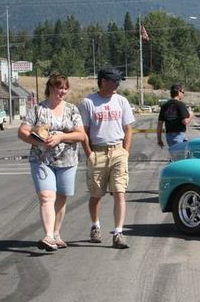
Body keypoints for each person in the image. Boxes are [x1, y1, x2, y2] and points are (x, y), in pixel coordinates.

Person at [18, 73, 85, 251]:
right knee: (47, 197)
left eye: (64, 87)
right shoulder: (38, 109)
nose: (62, 91)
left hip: (68, 160)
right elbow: (22, 131)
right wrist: (40, 141)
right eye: (58, 87)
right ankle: (48, 236)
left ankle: (56, 233)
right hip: (41, 160)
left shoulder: (72, 109)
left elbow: (81, 134)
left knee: (61, 198)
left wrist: (62, 136)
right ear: (50, 88)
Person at [79, 67, 135, 249]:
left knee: (120, 192)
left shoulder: (121, 101)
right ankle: (95, 226)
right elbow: (83, 131)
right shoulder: (88, 102)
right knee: (96, 194)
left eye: (119, 81)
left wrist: (125, 151)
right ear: (103, 81)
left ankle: (118, 233)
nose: (118, 84)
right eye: (114, 81)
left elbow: (128, 129)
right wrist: (89, 154)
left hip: (118, 151)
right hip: (98, 152)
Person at [157, 84, 191, 148]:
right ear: (179, 92)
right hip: (178, 134)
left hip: (169, 135)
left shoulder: (164, 106)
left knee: (178, 154)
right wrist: (191, 115)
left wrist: (159, 139)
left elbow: (160, 124)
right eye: (183, 92)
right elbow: (185, 121)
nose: (183, 94)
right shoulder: (180, 105)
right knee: (178, 156)